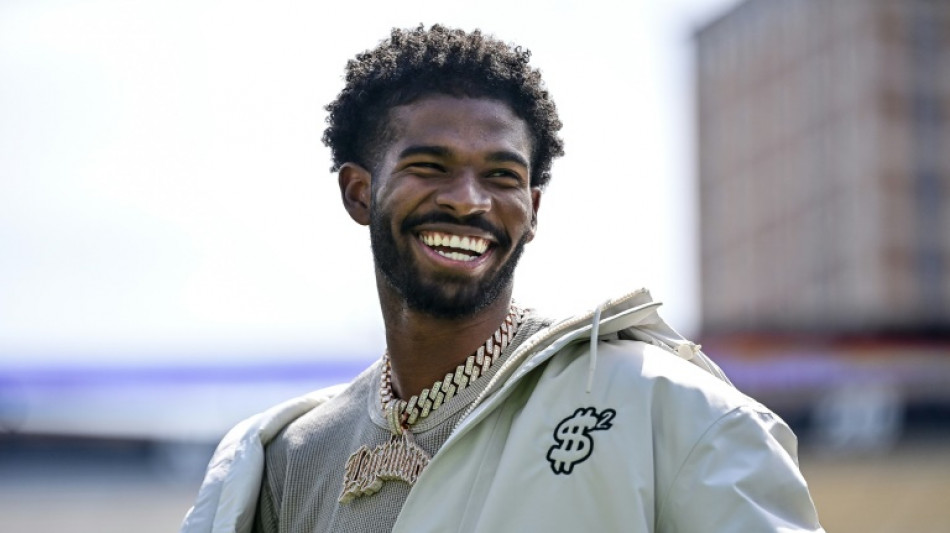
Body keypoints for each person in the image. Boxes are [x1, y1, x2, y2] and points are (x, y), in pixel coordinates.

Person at [181, 24, 824, 532]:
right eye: (430, 166)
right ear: (358, 192)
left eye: (501, 176)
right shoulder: (287, 460)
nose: (468, 201)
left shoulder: (672, 412)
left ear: (532, 210)